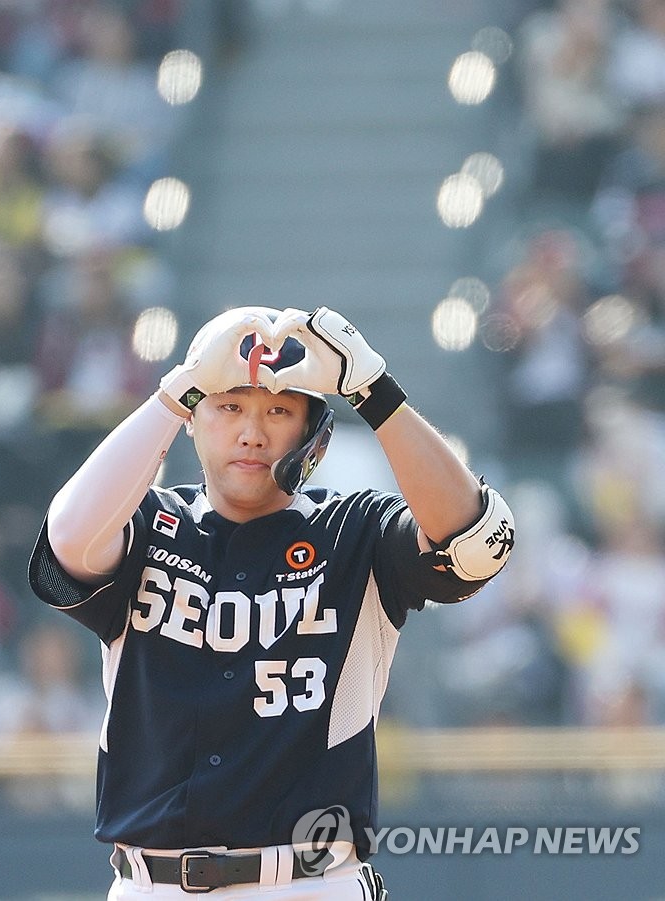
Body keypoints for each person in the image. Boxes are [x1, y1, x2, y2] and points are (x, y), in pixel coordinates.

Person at [28, 306, 516, 899]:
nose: (251, 433)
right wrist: (174, 390)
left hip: (310, 882)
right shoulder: (150, 525)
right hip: (150, 883)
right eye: (228, 406)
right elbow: (66, 540)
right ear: (193, 419)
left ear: (313, 433)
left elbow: (476, 545)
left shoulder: (353, 529)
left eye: (278, 411)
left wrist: (375, 393)